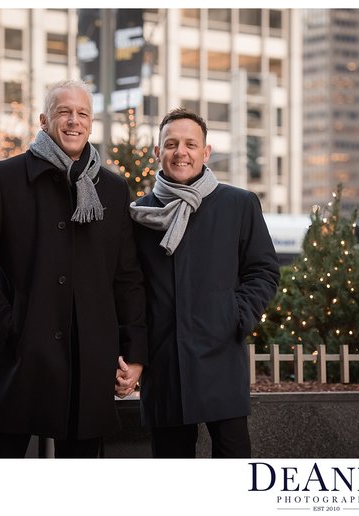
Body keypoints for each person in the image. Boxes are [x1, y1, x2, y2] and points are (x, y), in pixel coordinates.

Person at [0, 79, 147, 458]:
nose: (73, 121)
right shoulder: (3, 179)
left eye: (82, 114)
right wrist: (12, 327)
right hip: (23, 360)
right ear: (44, 120)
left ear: (91, 123)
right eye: (63, 112)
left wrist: (134, 352)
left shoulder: (111, 189)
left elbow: (127, 279)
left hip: (90, 365)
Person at [129, 108, 279, 458]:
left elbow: (263, 270)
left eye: (190, 144)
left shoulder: (238, 205)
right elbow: (129, 287)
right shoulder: (138, 214)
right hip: (164, 363)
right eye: (171, 143)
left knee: (233, 461)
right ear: (157, 152)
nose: (181, 151)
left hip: (220, 357)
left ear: (205, 152)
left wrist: (235, 316)